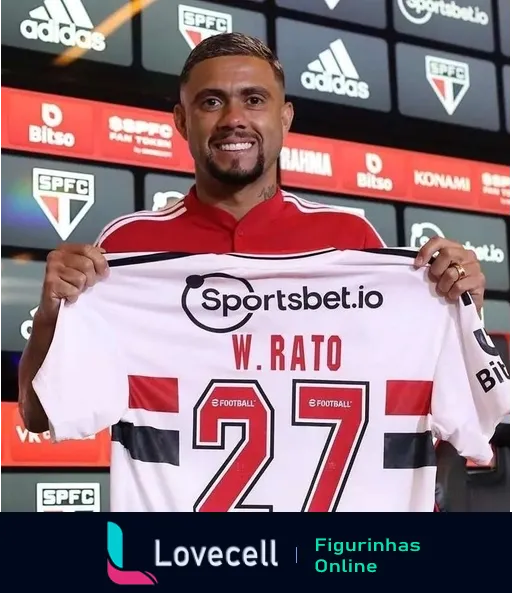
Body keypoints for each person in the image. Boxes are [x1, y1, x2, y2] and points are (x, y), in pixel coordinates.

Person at [18, 33, 486, 433]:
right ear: (181, 122)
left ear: (285, 118)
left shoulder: (350, 237)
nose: (233, 119)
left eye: (254, 99)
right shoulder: (126, 247)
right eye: (211, 101)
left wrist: (461, 311)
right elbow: (39, 415)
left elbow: (433, 397)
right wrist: (50, 314)